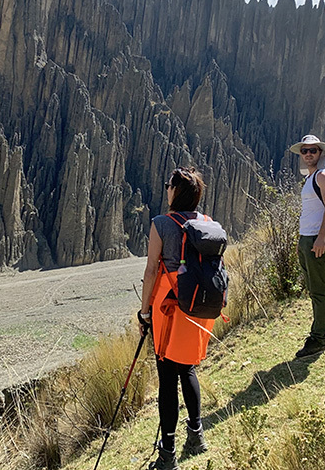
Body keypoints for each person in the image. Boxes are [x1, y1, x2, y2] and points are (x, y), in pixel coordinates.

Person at [139, 166, 215, 470]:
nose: (167, 188)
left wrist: (144, 312)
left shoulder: (161, 224)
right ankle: (196, 436)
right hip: (198, 308)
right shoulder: (207, 223)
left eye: (170, 185)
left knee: (167, 379)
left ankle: (167, 454)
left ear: (177, 191)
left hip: (168, 310)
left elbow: (150, 271)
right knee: (188, 370)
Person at [289, 133, 325, 358]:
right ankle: (320, 334)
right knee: (313, 289)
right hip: (306, 239)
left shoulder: (324, 176)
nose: (308, 154)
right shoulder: (312, 177)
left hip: (316, 241)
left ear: (321, 152)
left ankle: (319, 339)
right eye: (305, 150)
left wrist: (321, 238)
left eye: (313, 150)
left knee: (319, 292)